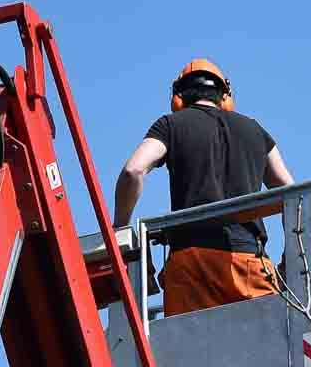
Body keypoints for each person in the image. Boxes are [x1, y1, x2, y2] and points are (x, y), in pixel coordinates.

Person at [114, 59, 295, 316]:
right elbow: (293, 196)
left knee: (186, 352)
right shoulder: (254, 130)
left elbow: (133, 170)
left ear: (178, 98)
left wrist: (119, 229)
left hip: (192, 265)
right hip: (250, 264)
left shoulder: (170, 125)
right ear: (225, 96)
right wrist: (290, 260)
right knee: (270, 347)